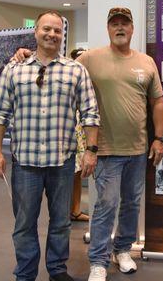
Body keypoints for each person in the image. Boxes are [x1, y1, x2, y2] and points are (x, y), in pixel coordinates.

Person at [15, 7, 163, 281]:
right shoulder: (90, 59)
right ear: (108, 29)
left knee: (131, 203)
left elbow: (157, 101)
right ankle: (98, 259)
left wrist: (159, 137)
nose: (120, 28)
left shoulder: (146, 62)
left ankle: (122, 250)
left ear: (132, 29)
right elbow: (54, 63)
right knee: (106, 205)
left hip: (139, 148)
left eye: (125, 24)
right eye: (114, 24)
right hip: (106, 149)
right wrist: (25, 53)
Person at [0, 11, 100, 281]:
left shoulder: (76, 71)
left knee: (61, 223)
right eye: (46, 29)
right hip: (25, 163)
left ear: (63, 34)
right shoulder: (14, 70)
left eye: (57, 30)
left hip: (61, 163)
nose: (51, 34)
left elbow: (90, 113)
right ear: (36, 32)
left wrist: (91, 151)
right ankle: (25, 273)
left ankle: (57, 271)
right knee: (24, 224)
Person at [69, 47, 90, 222]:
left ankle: (75, 210)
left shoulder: (88, 80)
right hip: (71, 132)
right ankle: (69, 210)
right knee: (69, 173)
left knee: (77, 173)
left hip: (83, 131)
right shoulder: (68, 76)